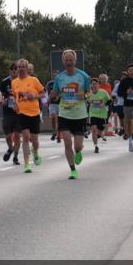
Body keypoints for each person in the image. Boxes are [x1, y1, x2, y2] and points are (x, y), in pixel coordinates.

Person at [51, 50, 91, 179]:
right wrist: (53, 95)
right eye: (66, 60)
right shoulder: (59, 78)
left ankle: (78, 151)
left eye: (70, 60)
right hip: (64, 113)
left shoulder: (83, 76)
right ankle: (73, 169)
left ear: (75, 61)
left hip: (79, 114)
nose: (68, 62)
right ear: (63, 61)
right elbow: (56, 93)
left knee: (77, 146)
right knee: (67, 142)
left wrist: (84, 95)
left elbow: (89, 92)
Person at [10, 59, 44, 173]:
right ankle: (26, 164)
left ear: (27, 68)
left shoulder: (34, 80)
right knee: (25, 137)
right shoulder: (14, 82)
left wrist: (34, 96)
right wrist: (15, 104)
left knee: (35, 140)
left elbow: (43, 93)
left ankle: (35, 152)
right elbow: (15, 96)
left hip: (34, 112)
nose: (20, 69)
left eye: (23, 67)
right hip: (21, 113)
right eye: (19, 67)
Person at [0, 63, 21, 164]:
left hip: (19, 112)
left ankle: (15, 157)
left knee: (17, 135)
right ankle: (10, 148)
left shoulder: (22, 81)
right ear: (9, 71)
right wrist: (2, 100)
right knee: (8, 136)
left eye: (15, 69)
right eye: (12, 70)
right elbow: (0, 95)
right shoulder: (5, 82)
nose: (14, 71)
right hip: (8, 112)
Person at [87, 78, 111, 153]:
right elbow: (85, 102)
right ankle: (96, 146)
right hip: (93, 114)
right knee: (94, 130)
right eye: (92, 84)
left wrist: (104, 104)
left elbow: (110, 101)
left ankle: (99, 135)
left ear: (98, 85)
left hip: (102, 115)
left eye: (95, 84)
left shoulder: (103, 92)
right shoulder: (88, 94)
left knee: (100, 132)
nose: (93, 85)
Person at [47, 69, 60, 142]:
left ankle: (58, 135)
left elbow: (63, 91)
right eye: (54, 75)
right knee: (53, 117)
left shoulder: (61, 82)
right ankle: (54, 131)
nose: (55, 76)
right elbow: (47, 93)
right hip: (52, 104)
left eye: (57, 75)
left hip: (60, 103)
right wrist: (48, 100)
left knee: (59, 120)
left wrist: (58, 96)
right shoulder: (49, 84)